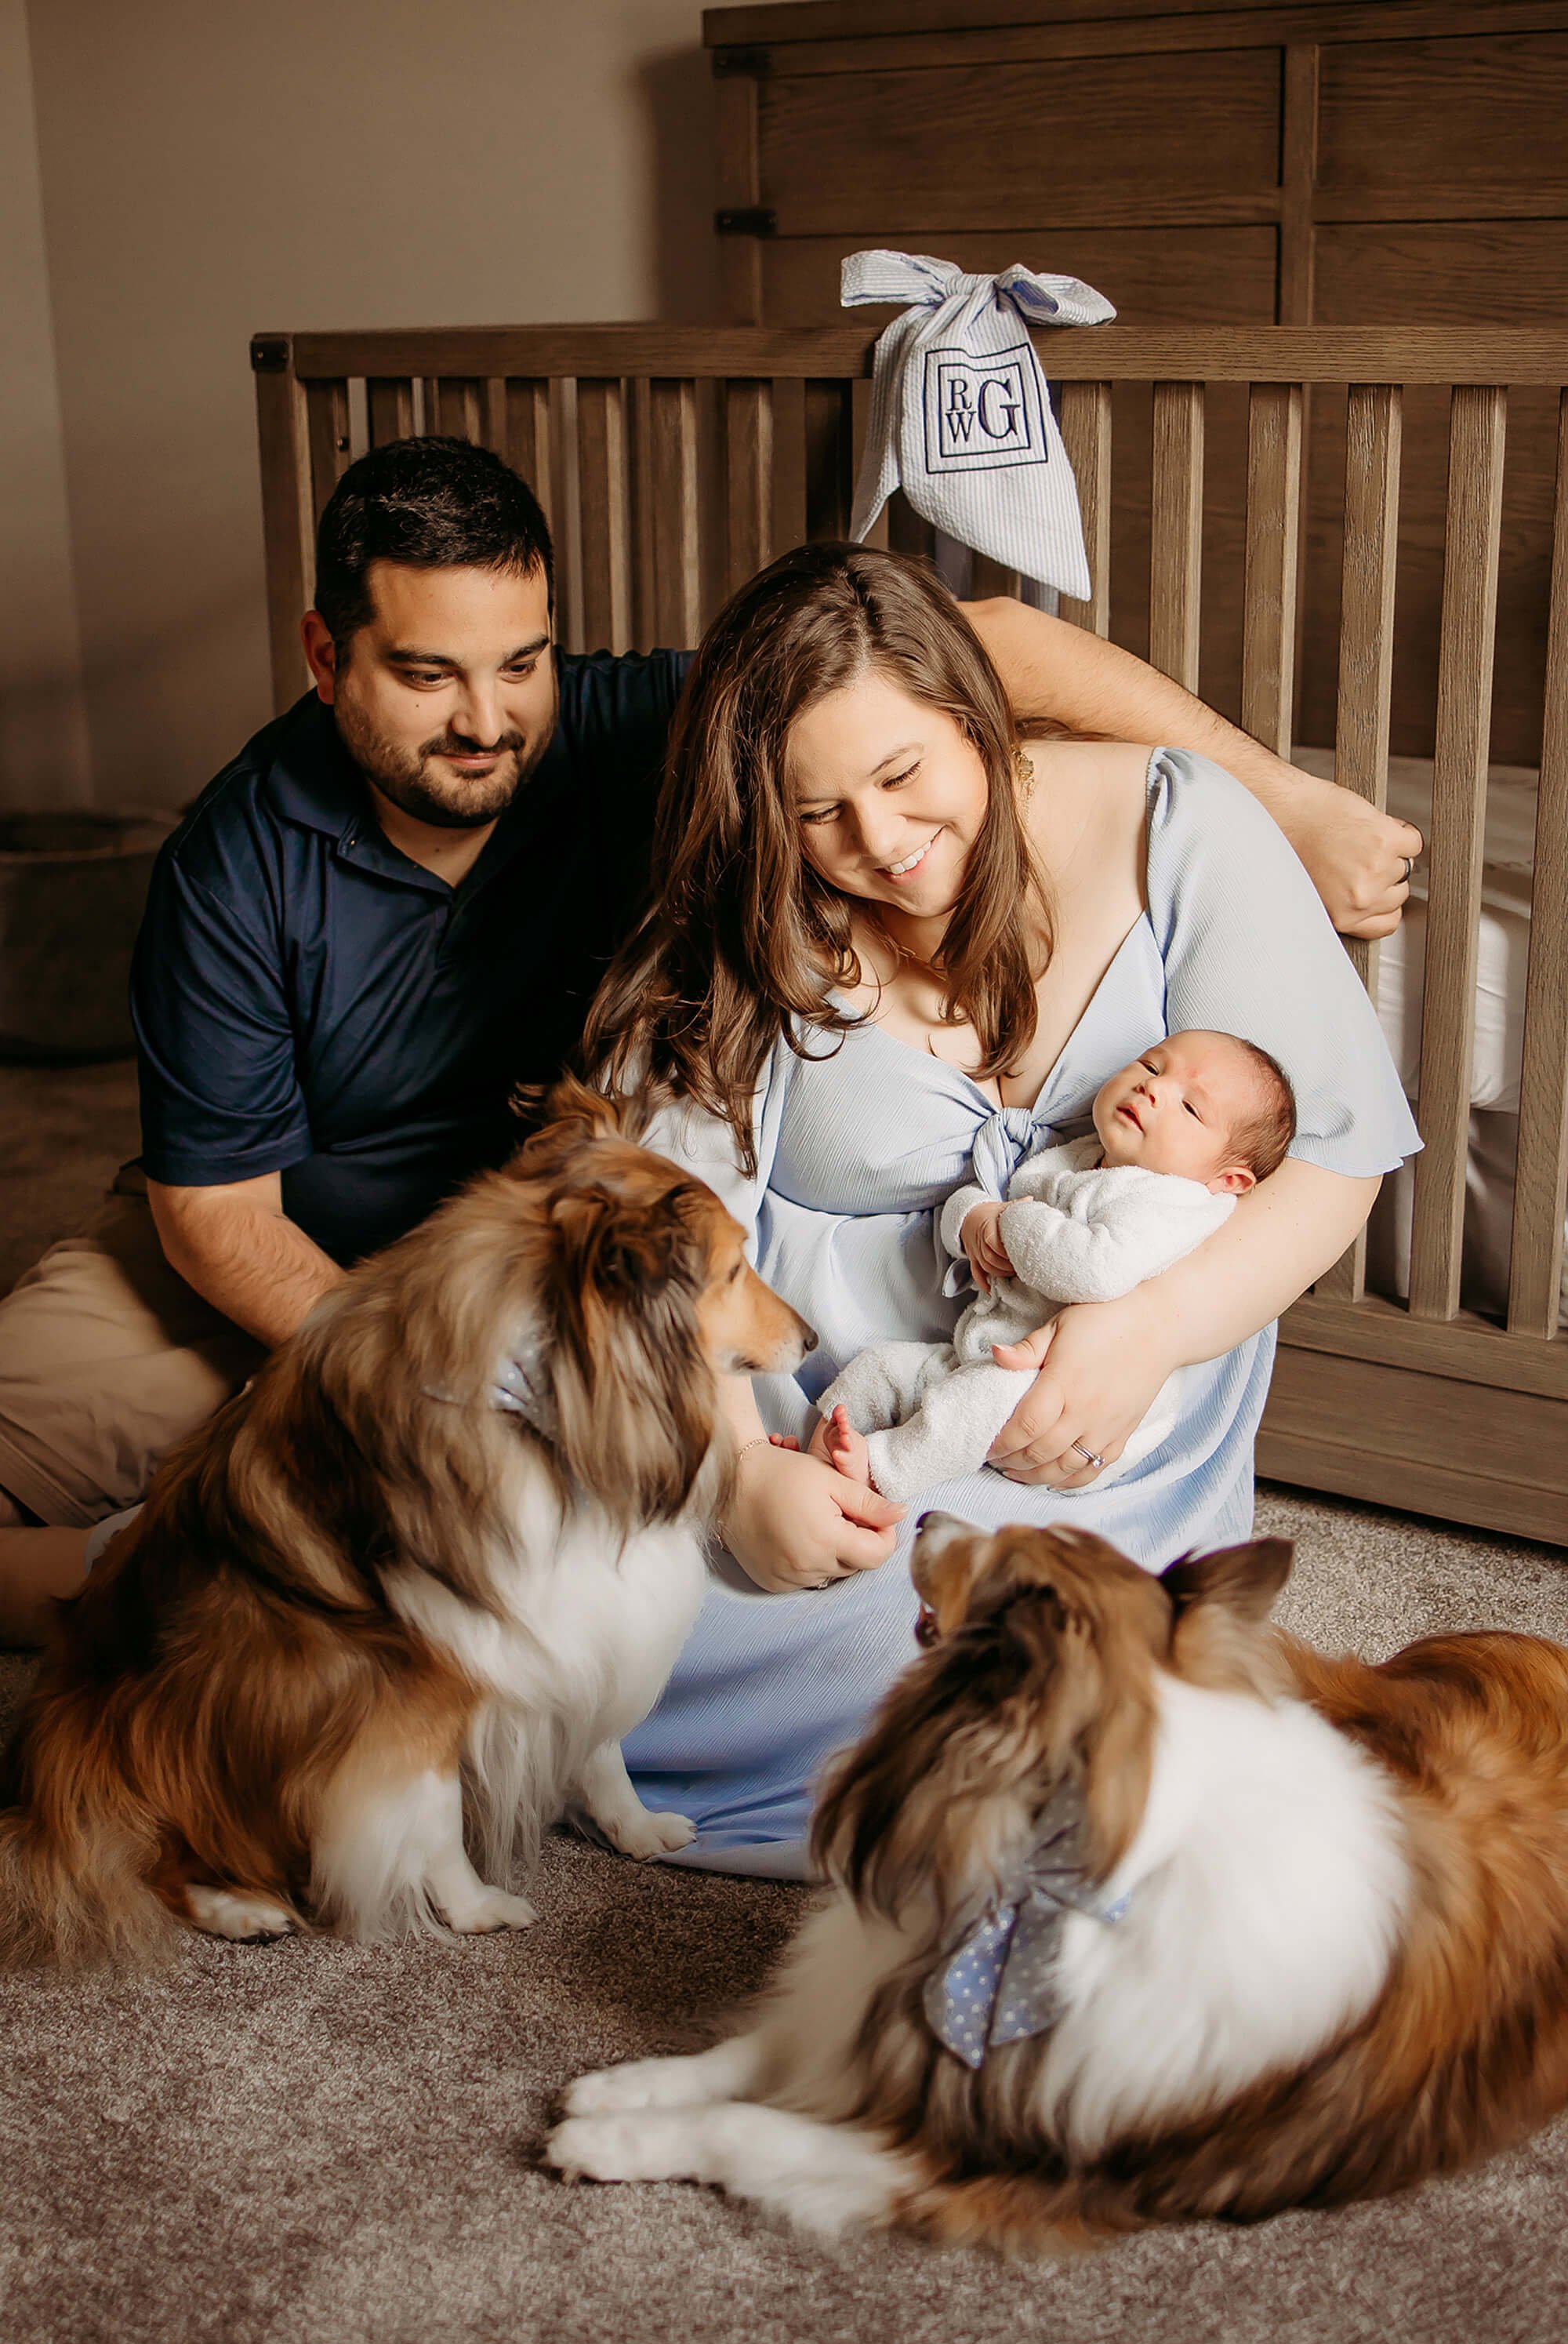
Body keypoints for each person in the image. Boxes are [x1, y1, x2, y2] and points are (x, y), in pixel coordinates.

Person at [0, 439, 1420, 1644]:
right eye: (428, 675)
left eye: (520, 664)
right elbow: (213, 1223)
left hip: (558, 1230)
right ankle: (99, 1580)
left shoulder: (675, 721)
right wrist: (426, 1390)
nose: (487, 719)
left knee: (461, 1549)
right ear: (328, 656)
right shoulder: (233, 867)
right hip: (307, 1249)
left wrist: (1284, 802)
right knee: (288, 1496)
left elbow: (982, 645)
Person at [582, 543, 1421, 1877]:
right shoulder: (758, 910)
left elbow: (1341, 1154)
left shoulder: (1174, 822)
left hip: (1089, 1417)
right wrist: (741, 1471)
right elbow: (663, 1215)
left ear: (977, 720)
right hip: (808, 1390)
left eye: (906, 776)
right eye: (820, 812)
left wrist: (1144, 1328)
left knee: (1000, 1657)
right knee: (566, 1607)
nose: (880, 842)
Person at [800, 1029, 1295, 1500]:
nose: (1153, 1087)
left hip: (1068, 1397)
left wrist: (1013, 1222)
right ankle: (818, 1451)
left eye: (1190, 1107)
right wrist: (974, 1219)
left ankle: (882, 1471)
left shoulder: (1173, 1203)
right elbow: (998, 1197)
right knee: (881, 1368)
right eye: (1151, 1065)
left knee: (973, 1403)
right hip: (981, 1355)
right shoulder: (1083, 1157)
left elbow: (1095, 1269)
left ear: (1229, 1180)